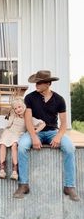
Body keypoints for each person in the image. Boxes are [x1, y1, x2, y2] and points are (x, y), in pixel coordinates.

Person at [13, 70, 80, 201]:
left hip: (52, 132)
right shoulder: (30, 97)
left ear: (48, 83)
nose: (36, 85)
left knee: (70, 148)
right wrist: (33, 137)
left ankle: (69, 186)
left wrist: (58, 136)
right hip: (35, 131)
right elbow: (28, 120)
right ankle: (23, 184)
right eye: (36, 82)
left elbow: (64, 123)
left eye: (40, 82)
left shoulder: (59, 99)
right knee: (22, 147)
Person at [0, 97, 45, 180]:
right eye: (15, 108)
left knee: (14, 145)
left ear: (24, 106)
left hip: (18, 134)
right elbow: (9, 124)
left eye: (19, 107)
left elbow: (43, 124)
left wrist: (35, 131)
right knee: (2, 144)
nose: (18, 110)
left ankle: (15, 171)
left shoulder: (28, 118)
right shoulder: (14, 116)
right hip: (9, 132)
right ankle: (2, 170)